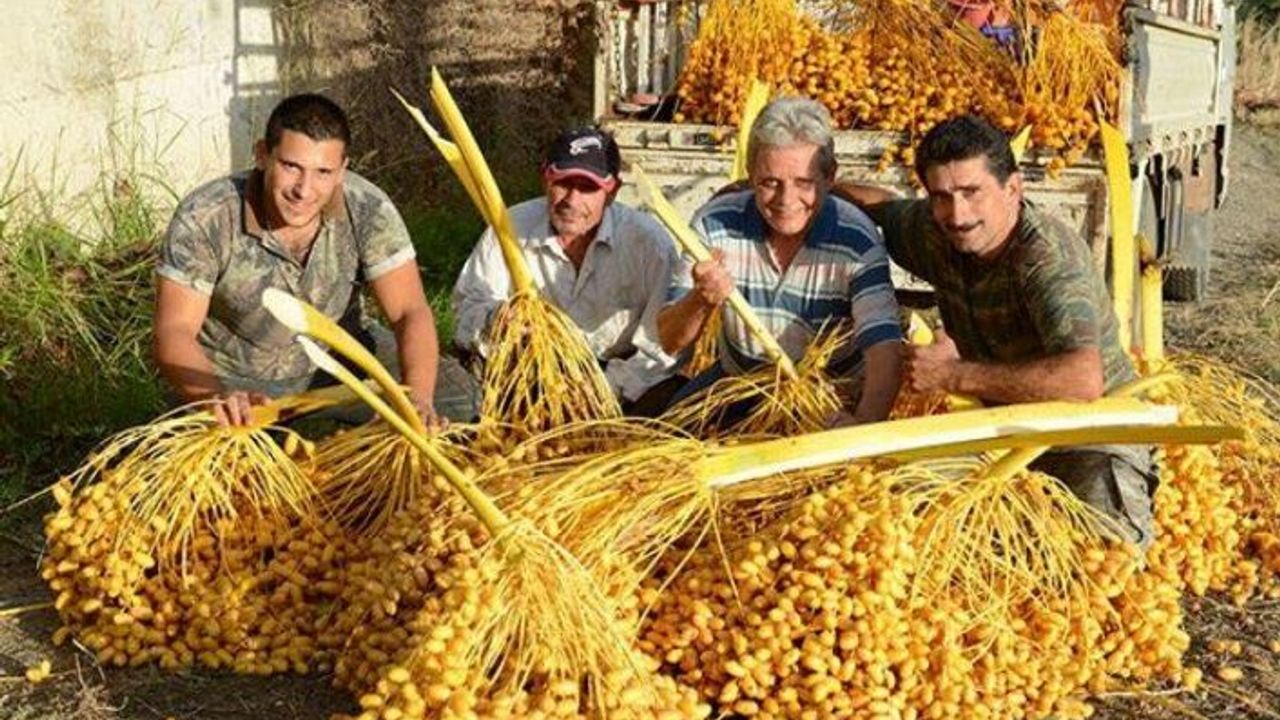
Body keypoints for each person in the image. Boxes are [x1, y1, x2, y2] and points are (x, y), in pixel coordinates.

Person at [836, 113, 1155, 548]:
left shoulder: (1045, 260)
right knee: (896, 532)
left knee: (1099, 569)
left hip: (1089, 437)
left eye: (972, 193)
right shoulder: (935, 233)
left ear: (1013, 188)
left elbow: (1083, 381)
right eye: (942, 196)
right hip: (1002, 432)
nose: (958, 214)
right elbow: (879, 204)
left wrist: (952, 376)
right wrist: (794, 187)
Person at [154, 93, 442, 427]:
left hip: (343, 365)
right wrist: (217, 398)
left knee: (455, 398)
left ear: (341, 171)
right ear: (263, 155)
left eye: (323, 172)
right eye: (291, 167)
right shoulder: (206, 215)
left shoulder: (367, 207)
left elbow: (410, 311)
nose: (304, 190)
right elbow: (173, 331)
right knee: (227, 463)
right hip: (237, 380)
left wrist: (418, 399)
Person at [656, 96, 903, 426]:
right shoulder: (714, 224)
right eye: (770, 183)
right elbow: (670, 341)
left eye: (804, 183)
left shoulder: (856, 239)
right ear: (750, 174)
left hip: (827, 397)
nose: (787, 201)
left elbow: (883, 346)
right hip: (740, 385)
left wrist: (863, 424)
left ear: (830, 177)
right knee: (671, 438)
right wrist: (700, 299)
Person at [451, 127, 681, 416]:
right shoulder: (510, 227)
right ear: (545, 178)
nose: (572, 200)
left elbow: (660, 350)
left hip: (618, 381)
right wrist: (496, 319)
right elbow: (466, 311)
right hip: (527, 377)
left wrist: (601, 394)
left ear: (612, 192)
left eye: (587, 188)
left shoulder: (648, 244)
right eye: (563, 183)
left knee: (672, 397)